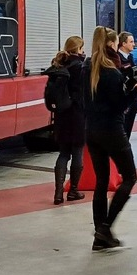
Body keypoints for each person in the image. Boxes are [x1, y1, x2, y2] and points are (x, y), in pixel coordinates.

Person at [84, 26, 137, 250]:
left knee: (101, 182)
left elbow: (85, 101)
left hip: (92, 130)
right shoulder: (112, 72)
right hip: (112, 130)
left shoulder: (87, 68)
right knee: (129, 176)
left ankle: (100, 237)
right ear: (112, 44)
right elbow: (121, 106)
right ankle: (106, 226)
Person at [47, 36, 87, 204]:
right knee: (77, 151)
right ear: (78, 49)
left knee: (63, 153)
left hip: (62, 115)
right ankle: (73, 190)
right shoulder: (80, 67)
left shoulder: (58, 66)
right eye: (82, 48)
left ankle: (58, 193)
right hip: (77, 114)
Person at [116, 32, 137, 138]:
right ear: (123, 43)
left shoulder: (130, 57)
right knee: (122, 129)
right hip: (123, 97)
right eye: (131, 42)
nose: (134, 44)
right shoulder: (117, 59)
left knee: (128, 127)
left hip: (133, 95)